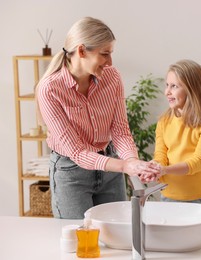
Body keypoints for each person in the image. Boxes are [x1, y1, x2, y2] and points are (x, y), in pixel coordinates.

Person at [36, 17, 160, 219]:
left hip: (110, 168)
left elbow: (120, 130)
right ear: (82, 51)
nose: (110, 62)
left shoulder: (112, 77)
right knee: (79, 241)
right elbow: (77, 152)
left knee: (117, 236)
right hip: (71, 173)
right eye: (105, 54)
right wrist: (125, 166)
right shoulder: (50, 89)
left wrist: (133, 163)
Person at [151, 59, 201, 206]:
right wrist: (155, 166)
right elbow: (160, 155)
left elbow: (198, 162)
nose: (167, 91)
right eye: (167, 85)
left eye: (174, 86)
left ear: (192, 89)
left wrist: (165, 170)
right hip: (168, 196)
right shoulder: (164, 121)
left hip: (200, 199)